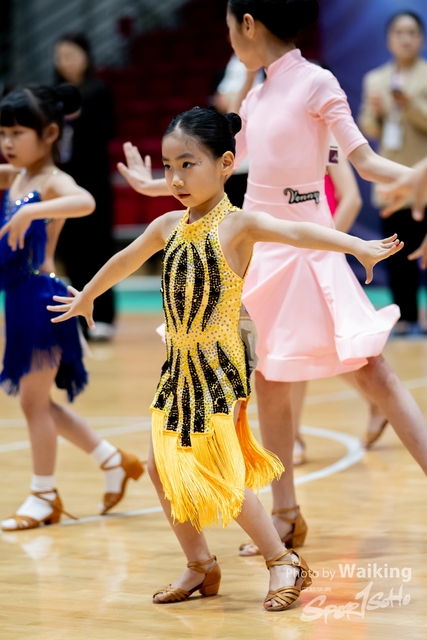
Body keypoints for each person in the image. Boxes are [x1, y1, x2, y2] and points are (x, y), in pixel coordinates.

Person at [47, 107, 402, 611]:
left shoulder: (238, 225)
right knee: (160, 468)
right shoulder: (168, 225)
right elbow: (125, 259)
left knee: (219, 468)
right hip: (176, 368)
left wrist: (357, 247)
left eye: (187, 164)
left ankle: (283, 560)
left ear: (226, 163)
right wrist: (87, 294)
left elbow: (299, 234)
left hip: (218, 368)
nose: (175, 179)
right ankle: (199, 565)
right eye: (168, 167)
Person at [117, 0, 427, 559]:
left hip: (309, 246)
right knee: (270, 381)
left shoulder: (317, 82)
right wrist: (157, 186)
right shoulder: (254, 96)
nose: (229, 38)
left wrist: (418, 179)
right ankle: (285, 513)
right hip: (261, 252)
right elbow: (223, 171)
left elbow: (366, 162)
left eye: (229, 27)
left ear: (249, 25)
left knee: (373, 371)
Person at [0, 84, 143, 531]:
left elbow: (87, 201)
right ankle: (113, 459)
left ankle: (44, 496)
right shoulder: (16, 175)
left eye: (17, 133)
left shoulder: (51, 181)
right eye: (2, 133)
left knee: (32, 404)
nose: (7, 142)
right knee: (37, 402)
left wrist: (29, 213)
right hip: (17, 303)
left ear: (48, 134)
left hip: (42, 302)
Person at [359, 11, 427, 335]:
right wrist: (377, 113)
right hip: (391, 182)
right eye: (399, 32)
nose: (405, 38)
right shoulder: (375, 79)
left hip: (423, 179)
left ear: (421, 38)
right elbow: (368, 128)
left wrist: (410, 104)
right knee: (397, 255)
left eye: (412, 32)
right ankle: (404, 318)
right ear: (389, 39)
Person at [54, 33, 116, 341]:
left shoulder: (97, 91)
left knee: (98, 250)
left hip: (94, 184)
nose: (65, 62)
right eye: (60, 57)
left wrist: (81, 117)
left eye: (71, 55)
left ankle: (103, 316)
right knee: (72, 251)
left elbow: (108, 130)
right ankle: (77, 317)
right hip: (64, 184)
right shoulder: (54, 95)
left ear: (86, 57)